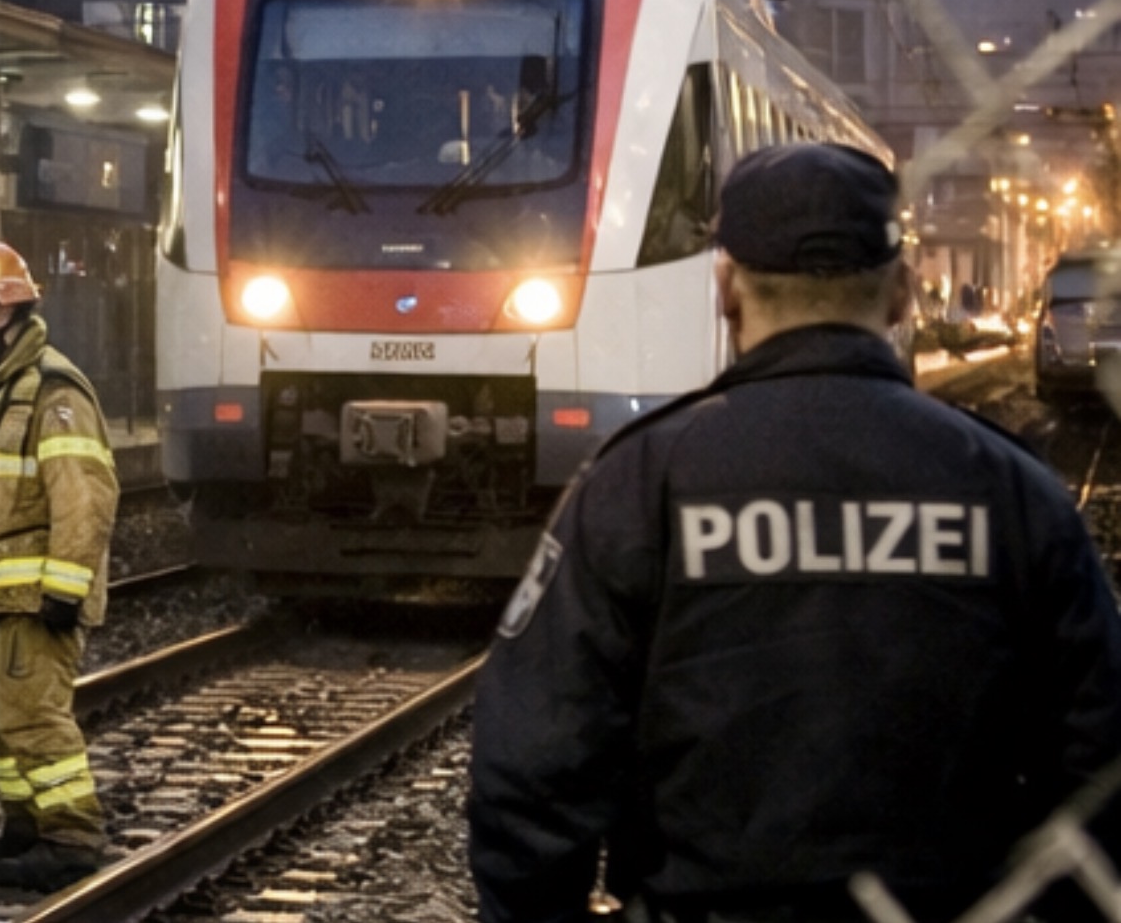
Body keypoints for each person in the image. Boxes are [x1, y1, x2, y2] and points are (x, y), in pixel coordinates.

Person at [468, 142, 1121, 923]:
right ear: (902, 294)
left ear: (726, 291)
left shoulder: (641, 483)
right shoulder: (1011, 488)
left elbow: (533, 765)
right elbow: (1099, 752)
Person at [0, 239, 118, 894]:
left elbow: (84, 497)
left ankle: (71, 838)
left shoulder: (52, 391)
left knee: (31, 715)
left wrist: (65, 589)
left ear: (2, 310)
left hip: (36, 597)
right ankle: (26, 822)